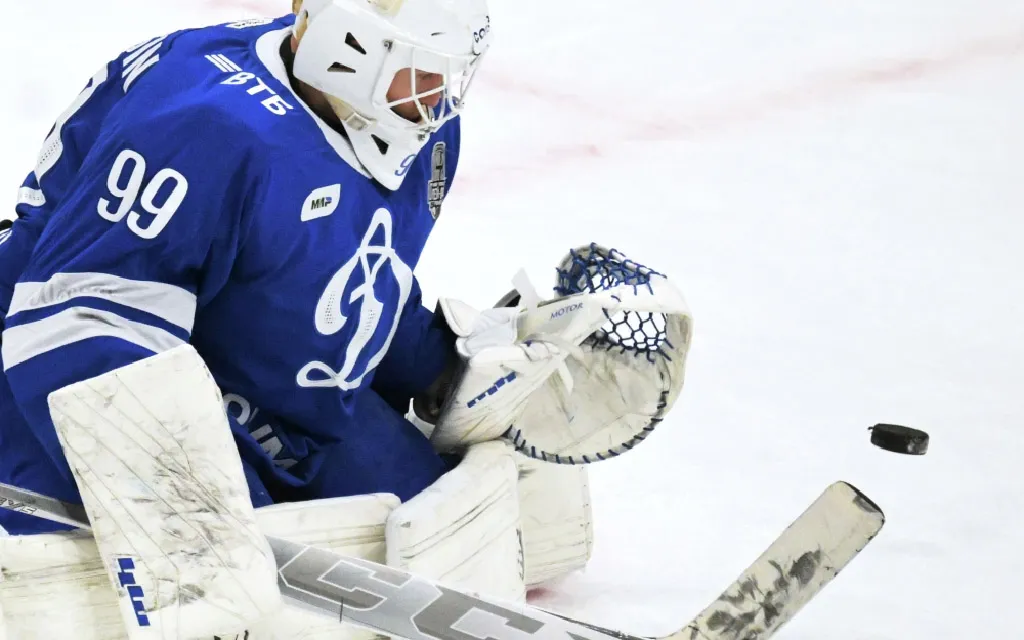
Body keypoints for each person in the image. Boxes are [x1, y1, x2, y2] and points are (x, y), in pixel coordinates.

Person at [0, 0, 492, 536]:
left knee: (452, 524)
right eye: (421, 69)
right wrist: (193, 500)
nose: (437, 97)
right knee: (212, 564)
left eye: (446, 73)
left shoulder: (412, 125)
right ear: (350, 48)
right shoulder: (208, 125)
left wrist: (444, 368)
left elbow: (330, 268)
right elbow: (79, 323)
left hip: (254, 383)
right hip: (49, 379)